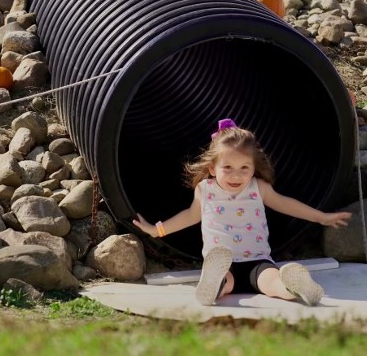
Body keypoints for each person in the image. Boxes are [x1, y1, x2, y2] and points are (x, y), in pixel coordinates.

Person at [133, 118, 352, 306]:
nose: (236, 176)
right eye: (227, 168)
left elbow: (287, 204)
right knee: (224, 281)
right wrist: (157, 230)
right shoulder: (205, 190)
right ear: (212, 168)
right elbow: (191, 216)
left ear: (253, 168)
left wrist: (321, 217)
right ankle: (212, 285)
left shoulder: (258, 188)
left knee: (271, 282)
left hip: (257, 260)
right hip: (222, 262)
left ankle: (295, 288)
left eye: (244, 168)